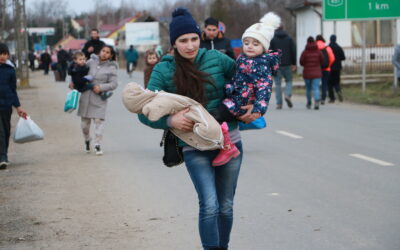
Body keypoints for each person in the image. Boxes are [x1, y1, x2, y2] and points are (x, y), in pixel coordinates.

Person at [137, 8, 258, 250]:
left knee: (226, 205)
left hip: (230, 141)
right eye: (183, 41)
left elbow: (248, 82)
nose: (190, 45)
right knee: (209, 204)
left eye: (194, 38)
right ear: (174, 43)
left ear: (200, 37)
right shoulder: (163, 70)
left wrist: (251, 104)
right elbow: (144, 112)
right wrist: (170, 122)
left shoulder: (217, 59)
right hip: (193, 145)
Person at [213, 12, 281, 166]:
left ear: (264, 47)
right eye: (247, 42)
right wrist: (229, 86)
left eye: (256, 44)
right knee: (215, 114)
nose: (250, 46)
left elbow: (264, 88)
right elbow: (237, 77)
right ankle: (224, 144)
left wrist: (258, 110)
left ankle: (227, 147)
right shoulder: (243, 58)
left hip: (242, 104)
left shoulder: (263, 64)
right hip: (235, 98)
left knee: (216, 115)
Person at [73, 45, 118, 155]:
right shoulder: (90, 62)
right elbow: (78, 71)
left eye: (108, 52)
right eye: (103, 51)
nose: (104, 53)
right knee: (84, 125)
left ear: (111, 55)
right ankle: (87, 139)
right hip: (86, 96)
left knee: (98, 122)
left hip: (99, 98)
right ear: (100, 51)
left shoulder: (112, 67)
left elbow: (114, 84)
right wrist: (73, 82)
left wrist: (101, 87)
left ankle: (97, 144)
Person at [0, 43, 28, 170]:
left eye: (5, 54)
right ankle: (2, 158)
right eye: (0, 54)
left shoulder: (10, 70)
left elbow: (13, 90)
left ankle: (3, 154)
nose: (2, 56)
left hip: (6, 105)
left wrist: (18, 106)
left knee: (5, 131)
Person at [269, 26, 296, 109]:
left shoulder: (273, 39)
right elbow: (293, 51)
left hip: (277, 65)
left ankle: (279, 104)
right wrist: (294, 63)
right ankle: (287, 95)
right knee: (289, 81)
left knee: (277, 84)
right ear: (283, 28)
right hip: (288, 64)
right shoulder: (289, 38)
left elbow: (270, 52)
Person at [300, 37, 323, 110]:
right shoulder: (318, 51)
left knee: (308, 89)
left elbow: (301, 62)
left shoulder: (304, 52)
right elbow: (322, 60)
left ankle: (309, 103)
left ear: (307, 42)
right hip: (317, 73)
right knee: (316, 88)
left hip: (307, 73)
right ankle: (316, 101)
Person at [316, 35, 335, 105]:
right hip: (326, 69)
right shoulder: (327, 47)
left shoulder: (314, 47)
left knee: (316, 84)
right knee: (324, 84)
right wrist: (328, 65)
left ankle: (317, 97)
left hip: (317, 69)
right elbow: (332, 58)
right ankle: (323, 98)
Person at [328, 35, 346, 103]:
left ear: (330, 39)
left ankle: (332, 98)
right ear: (336, 39)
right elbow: (343, 57)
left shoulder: (328, 47)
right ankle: (338, 91)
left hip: (329, 67)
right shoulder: (339, 48)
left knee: (329, 83)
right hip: (338, 67)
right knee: (336, 82)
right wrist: (338, 59)